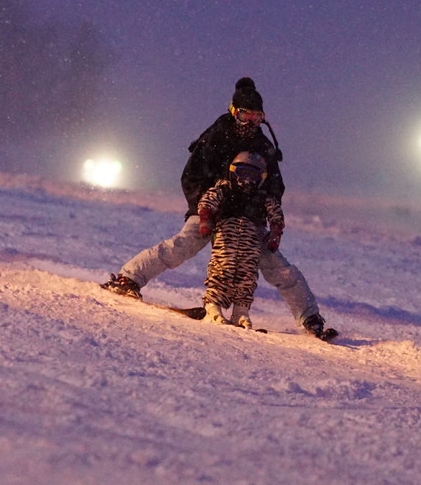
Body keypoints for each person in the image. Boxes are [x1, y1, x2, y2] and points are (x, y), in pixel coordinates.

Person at [102, 77, 336, 339]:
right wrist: (205, 208)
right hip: (213, 210)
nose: (251, 123)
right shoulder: (216, 137)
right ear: (233, 111)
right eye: (246, 116)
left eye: (257, 118)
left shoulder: (263, 146)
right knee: (184, 244)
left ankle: (310, 318)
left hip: (249, 219)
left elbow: (275, 187)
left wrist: (270, 219)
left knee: (276, 265)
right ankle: (128, 278)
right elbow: (190, 177)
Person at [196, 151, 283, 328]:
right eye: (243, 173)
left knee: (247, 272)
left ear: (261, 178)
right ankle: (213, 306)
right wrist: (205, 220)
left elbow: (276, 215)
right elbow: (207, 202)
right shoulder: (224, 189)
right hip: (226, 232)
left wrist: (275, 233)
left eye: (253, 175)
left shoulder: (262, 197)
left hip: (251, 236)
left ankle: (241, 310)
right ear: (234, 171)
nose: (247, 180)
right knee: (222, 268)